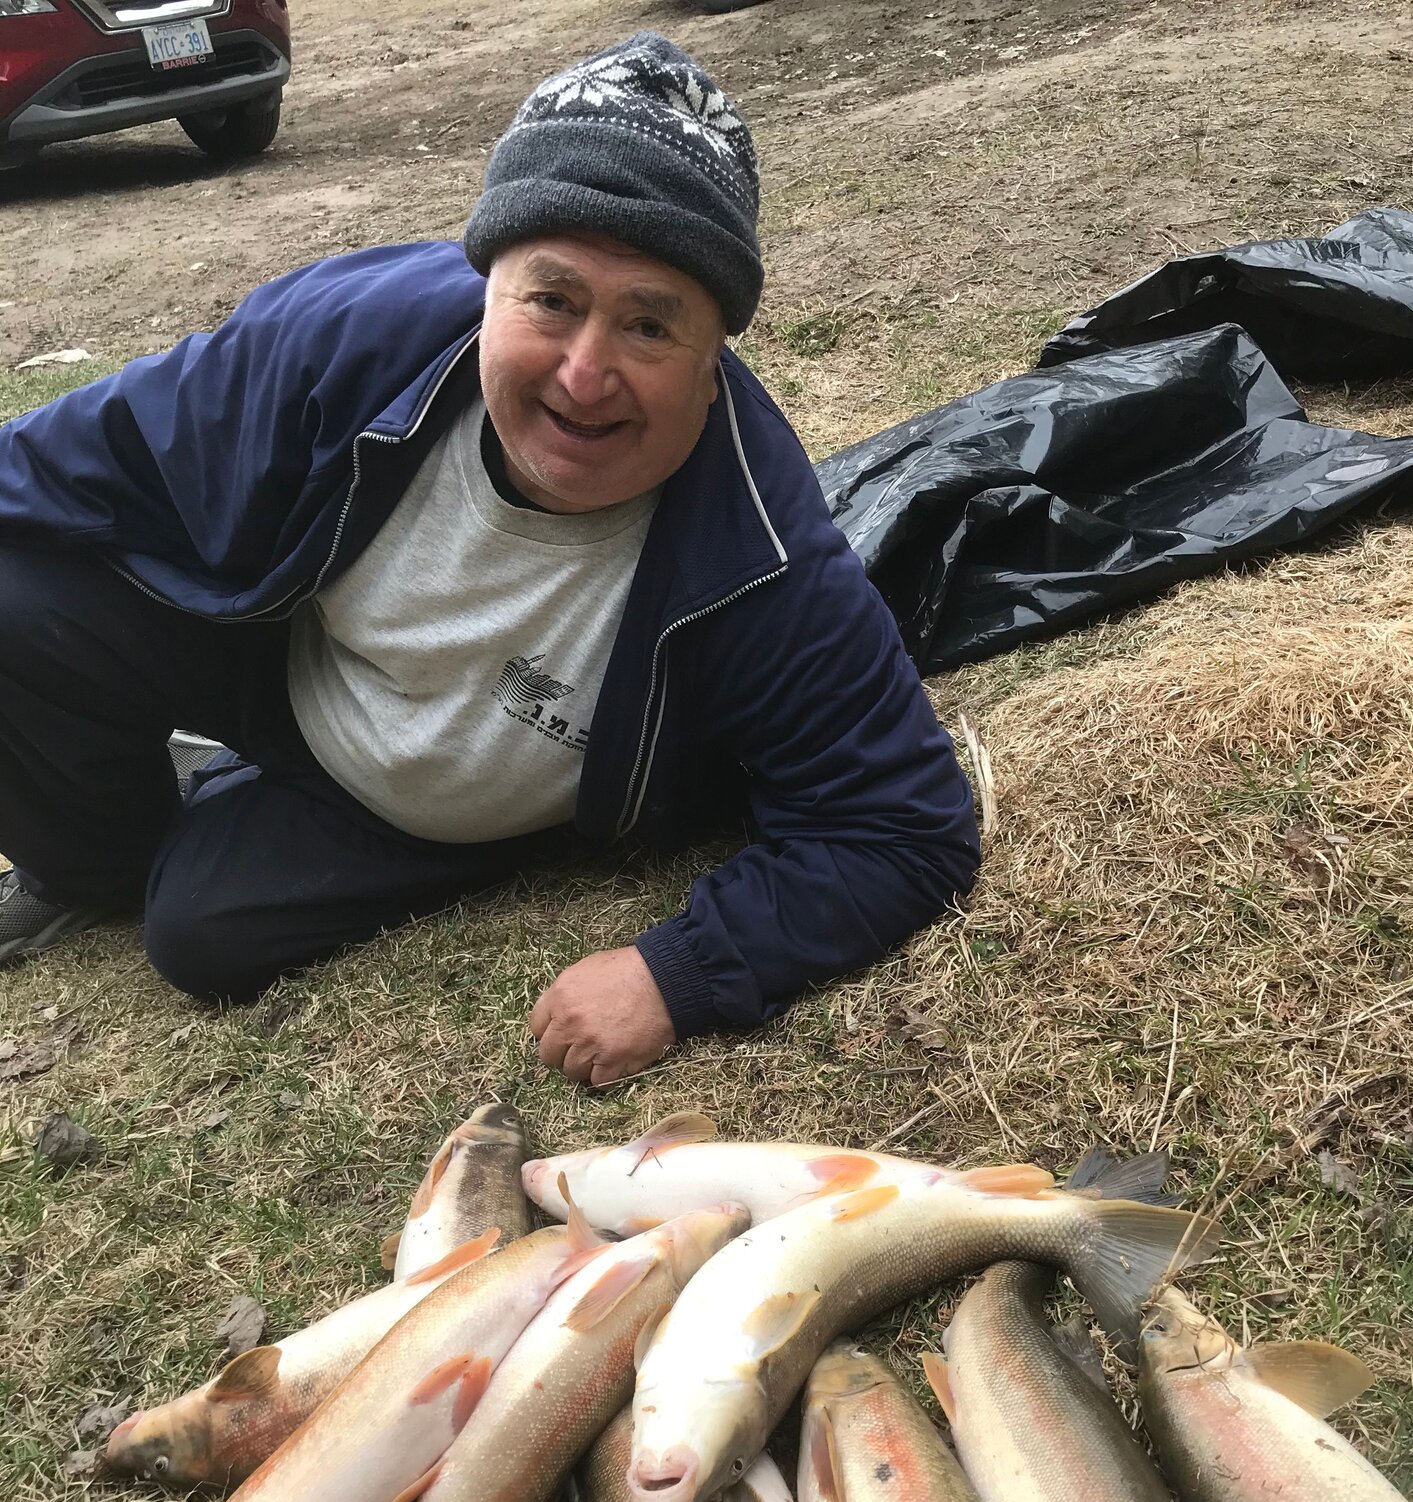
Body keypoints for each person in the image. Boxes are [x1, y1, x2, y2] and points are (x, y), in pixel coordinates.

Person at [0, 34, 977, 1087]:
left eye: (651, 324)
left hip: (447, 800)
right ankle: (90, 867)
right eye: (551, 301)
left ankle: (269, 824)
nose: (586, 373)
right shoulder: (338, 338)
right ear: (485, 287)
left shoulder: (762, 551)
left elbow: (902, 828)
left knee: (199, 933)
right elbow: (63, 460)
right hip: (288, 657)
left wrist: (678, 971)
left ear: (714, 359)